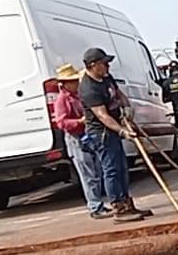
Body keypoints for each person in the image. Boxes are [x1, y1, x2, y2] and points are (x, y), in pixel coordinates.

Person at [78, 46, 152, 222]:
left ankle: (127, 202)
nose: (108, 67)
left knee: (122, 168)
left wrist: (126, 107)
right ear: (94, 65)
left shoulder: (106, 78)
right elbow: (102, 115)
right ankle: (118, 207)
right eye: (104, 64)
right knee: (111, 169)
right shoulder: (89, 89)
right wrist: (122, 130)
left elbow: (118, 94)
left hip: (114, 129)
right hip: (102, 134)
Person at [52, 63, 109, 219]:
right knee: (88, 174)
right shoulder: (62, 100)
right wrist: (79, 121)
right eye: (72, 81)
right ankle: (95, 206)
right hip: (76, 138)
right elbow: (61, 122)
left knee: (97, 171)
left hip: (87, 135)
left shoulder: (79, 95)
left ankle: (98, 204)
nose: (76, 83)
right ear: (65, 83)